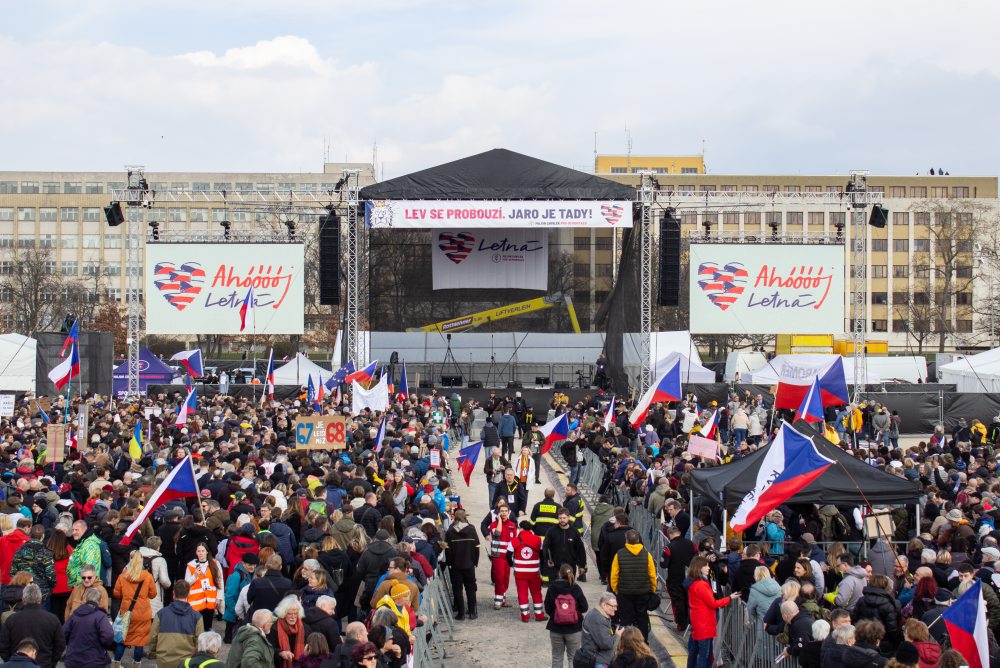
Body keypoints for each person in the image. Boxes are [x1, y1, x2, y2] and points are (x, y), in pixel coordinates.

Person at [685, 555, 736, 668]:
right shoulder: (701, 585)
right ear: (699, 568)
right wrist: (729, 598)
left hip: (699, 622)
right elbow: (713, 603)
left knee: (695, 651)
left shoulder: (693, 582)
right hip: (704, 624)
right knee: (704, 655)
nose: (708, 568)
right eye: (706, 566)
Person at [111, 550, 157, 667]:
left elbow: (116, 593)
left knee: (122, 639)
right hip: (143, 613)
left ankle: (116, 663)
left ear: (130, 560)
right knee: (140, 641)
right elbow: (153, 594)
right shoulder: (147, 576)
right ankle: (136, 664)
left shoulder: (123, 576)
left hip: (126, 612)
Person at [0, 584, 65, 668]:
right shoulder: (52, 619)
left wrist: (11, 661)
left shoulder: (12, 620)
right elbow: (60, 645)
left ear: (23, 599)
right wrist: (51, 662)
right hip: (44, 663)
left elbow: (3, 645)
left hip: (17, 663)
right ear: (40, 599)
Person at [610, 530, 656, 640]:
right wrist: (652, 589)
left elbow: (614, 575)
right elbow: (652, 574)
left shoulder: (619, 554)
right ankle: (643, 641)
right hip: (643, 592)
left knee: (625, 620)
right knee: (642, 619)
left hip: (624, 593)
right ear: (638, 540)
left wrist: (616, 590)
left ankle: (626, 642)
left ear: (626, 540)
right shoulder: (646, 554)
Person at [148, 580, 205, 668]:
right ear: (188, 594)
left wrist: (154, 651)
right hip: (186, 662)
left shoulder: (161, 614)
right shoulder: (197, 617)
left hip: (164, 661)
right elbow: (200, 642)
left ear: (173, 593)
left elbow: (153, 637)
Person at [543, 564, 588, 668]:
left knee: (557, 657)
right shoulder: (576, 588)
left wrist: (556, 614)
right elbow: (584, 607)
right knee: (573, 658)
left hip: (556, 628)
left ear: (559, 574)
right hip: (574, 628)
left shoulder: (552, 587)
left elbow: (548, 607)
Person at [62, 587, 113, 668]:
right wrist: (102, 645)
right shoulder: (100, 616)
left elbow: (63, 633)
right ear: (100, 601)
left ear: (85, 599)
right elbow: (108, 636)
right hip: (94, 660)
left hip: (73, 659)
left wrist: (72, 643)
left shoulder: (75, 614)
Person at [444, 509, 479, 620]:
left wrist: (449, 563)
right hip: (469, 564)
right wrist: (475, 561)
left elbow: (447, 549)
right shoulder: (471, 529)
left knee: (457, 590)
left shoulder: (450, 531)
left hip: (456, 565)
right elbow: (477, 547)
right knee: (470, 588)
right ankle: (472, 612)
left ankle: (461, 613)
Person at [508, 519, 546, 622]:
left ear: (521, 528)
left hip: (520, 573)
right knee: (536, 593)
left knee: (522, 593)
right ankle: (539, 615)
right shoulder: (538, 539)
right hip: (534, 572)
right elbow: (542, 555)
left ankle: (525, 616)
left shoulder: (514, 540)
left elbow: (508, 555)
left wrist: (513, 565)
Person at [9, 526, 55, 605]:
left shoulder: (20, 550)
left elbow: (13, 572)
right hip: (42, 593)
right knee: (42, 612)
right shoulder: (46, 552)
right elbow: (51, 576)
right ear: (43, 535)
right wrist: (50, 586)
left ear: (30, 534)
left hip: (23, 591)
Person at [184, 542, 224, 630]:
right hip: (196, 601)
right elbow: (186, 583)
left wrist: (219, 597)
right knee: (196, 627)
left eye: (203, 551)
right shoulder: (191, 565)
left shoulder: (215, 563)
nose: (201, 553)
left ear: (207, 552)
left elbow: (220, 581)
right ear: (196, 552)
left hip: (210, 600)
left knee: (208, 627)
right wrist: (195, 576)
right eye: (199, 551)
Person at [543, 509, 587, 586]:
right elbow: (545, 547)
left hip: (570, 567)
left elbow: (580, 550)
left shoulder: (574, 532)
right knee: (554, 589)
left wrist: (582, 566)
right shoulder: (551, 531)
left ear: (568, 517)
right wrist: (547, 559)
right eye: (560, 518)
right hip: (554, 567)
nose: (562, 520)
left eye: (564, 518)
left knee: (569, 589)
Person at [578, 592, 621, 668]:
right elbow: (606, 644)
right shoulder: (597, 619)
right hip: (598, 662)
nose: (616, 609)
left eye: (616, 606)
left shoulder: (601, 615)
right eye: (613, 606)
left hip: (601, 660)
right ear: (604, 605)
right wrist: (617, 635)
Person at [222, 552, 257, 643]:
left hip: (242, 614)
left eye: (254, 565)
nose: (253, 567)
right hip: (234, 616)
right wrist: (236, 612)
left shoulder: (251, 575)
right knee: (230, 641)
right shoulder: (236, 576)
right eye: (250, 565)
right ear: (243, 564)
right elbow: (229, 597)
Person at [245, 554, 294, 618]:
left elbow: (249, 600)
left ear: (266, 566)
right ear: (280, 567)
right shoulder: (288, 583)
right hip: (279, 618)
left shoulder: (256, 582)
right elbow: (291, 603)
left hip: (260, 619)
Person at [488, 505, 517, 610]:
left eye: (505, 511)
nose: (504, 513)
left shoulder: (512, 525)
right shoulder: (493, 524)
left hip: (508, 557)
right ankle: (498, 601)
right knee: (499, 578)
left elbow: (514, 541)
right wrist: (499, 520)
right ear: (498, 513)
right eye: (502, 511)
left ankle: (502, 600)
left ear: (509, 512)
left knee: (505, 578)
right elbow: (497, 533)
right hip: (498, 557)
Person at [270, 595, 306, 668]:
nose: (293, 617)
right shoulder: (274, 628)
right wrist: (280, 653)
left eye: (295, 614)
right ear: (283, 614)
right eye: (289, 614)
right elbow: (269, 649)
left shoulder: (304, 627)